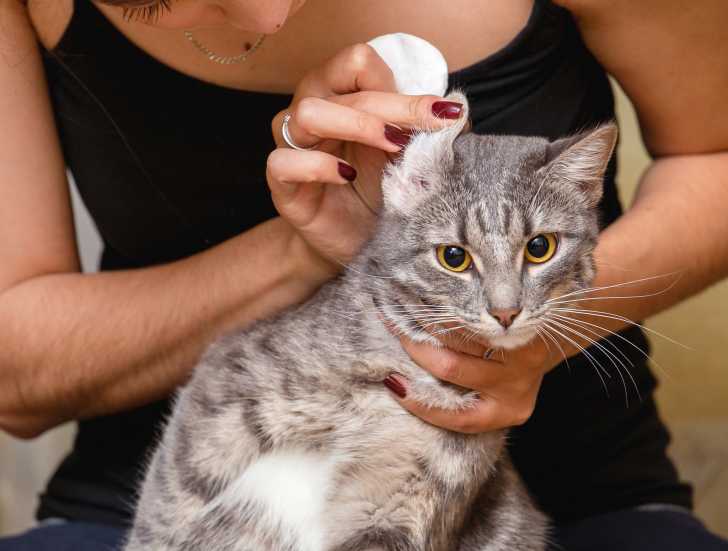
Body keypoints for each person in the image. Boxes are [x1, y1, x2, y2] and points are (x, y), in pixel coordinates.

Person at [0, 0, 726, 549]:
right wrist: (310, 250)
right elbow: (15, 370)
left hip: (576, 493)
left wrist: (539, 339)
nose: (268, 13)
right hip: (187, 496)